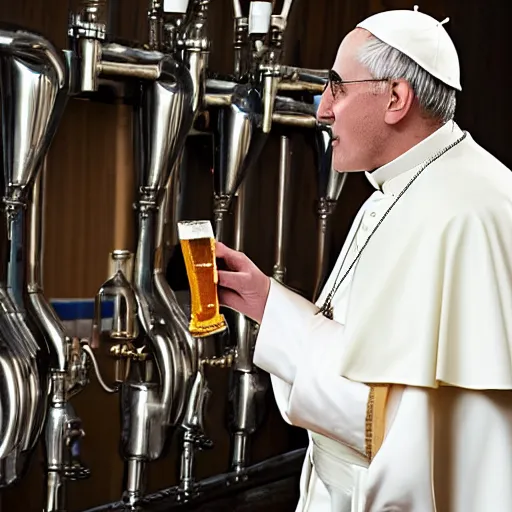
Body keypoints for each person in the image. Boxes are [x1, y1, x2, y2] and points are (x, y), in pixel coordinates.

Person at [216, 6, 512, 512]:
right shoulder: (400, 183)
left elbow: (385, 417)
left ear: (396, 98)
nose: (322, 109)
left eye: (338, 87)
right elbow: (365, 358)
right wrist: (267, 303)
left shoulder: (465, 211)